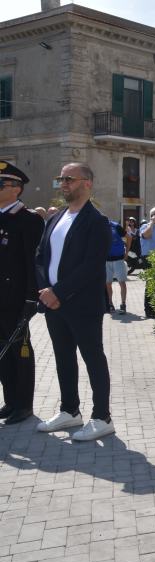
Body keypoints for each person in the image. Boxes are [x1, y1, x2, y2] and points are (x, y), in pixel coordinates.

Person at [34, 163, 114, 441]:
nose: (63, 183)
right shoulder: (55, 219)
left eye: (69, 179)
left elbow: (92, 266)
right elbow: (41, 257)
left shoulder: (97, 221)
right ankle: (70, 411)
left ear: (87, 183)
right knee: (63, 358)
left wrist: (60, 292)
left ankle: (102, 417)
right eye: (61, 179)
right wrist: (45, 289)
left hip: (82, 304)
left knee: (93, 358)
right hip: (53, 304)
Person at [0, 161, 45, 425]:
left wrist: (32, 297)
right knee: (2, 353)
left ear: (16, 189)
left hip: (17, 297)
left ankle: (24, 405)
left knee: (19, 350)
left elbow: (32, 261)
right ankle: (10, 400)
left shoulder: (28, 220)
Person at [105, 219, 128, 314]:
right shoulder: (98, 227)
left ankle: (123, 304)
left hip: (118, 259)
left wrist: (127, 252)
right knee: (107, 283)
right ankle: (110, 304)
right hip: (106, 260)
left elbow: (129, 237)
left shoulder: (116, 227)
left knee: (121, 282)